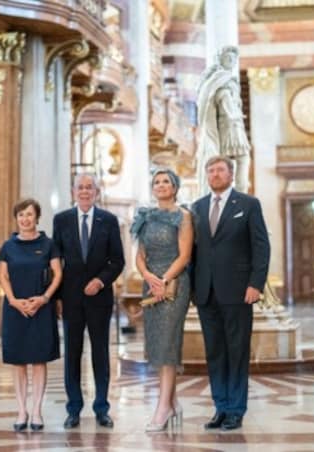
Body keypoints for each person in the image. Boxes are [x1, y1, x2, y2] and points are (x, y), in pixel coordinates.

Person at [191, 156, 270, 431]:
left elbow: (261, 247)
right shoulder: (197, 208)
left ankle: (236, 410)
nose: (214, 174)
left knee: (237, 352)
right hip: (205, 293)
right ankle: (220, 408)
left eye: (219, 170)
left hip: (238, 291)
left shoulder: (248, 204)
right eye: (210, 170)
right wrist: (192, 288)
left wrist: (256, 284)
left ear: (231, 174)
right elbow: (193, 252)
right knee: (215, 353)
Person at [52, 173, 125, 429]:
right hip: (70, 299)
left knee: (100, 354)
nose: (84, 191)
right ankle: (73, 408)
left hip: (99, 299)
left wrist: (101, 281)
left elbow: (117, 260)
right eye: (80, 187)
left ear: (96, 192)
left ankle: (102, 408)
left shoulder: (109, 220)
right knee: (72, 354)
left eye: (89, 187)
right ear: (73, 192)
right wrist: (56, 298)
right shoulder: (61, 220)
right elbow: (56, 263)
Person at [130, 168, 193, 432]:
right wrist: (148, 277)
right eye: (157, 181)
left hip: (174, 285)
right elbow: (140, 256)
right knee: (157, 343)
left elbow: (184, 255)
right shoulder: (145, 216)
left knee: (167, 343)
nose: (161, 185)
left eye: (166, 181)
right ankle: (173, 400)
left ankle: (163, 407)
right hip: (151, 283)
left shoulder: (184, 216)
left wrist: (163, 280)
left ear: (175, 187)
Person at [0, 199, 62, 432]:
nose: (25, 219)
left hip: (41, 307)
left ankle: (36, 410)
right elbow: (3, 276)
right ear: (17, 218)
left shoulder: (48, 244)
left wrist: (44, 298)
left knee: (38, 359)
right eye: (21, 215)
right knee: (18, 360)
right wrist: (14, 301)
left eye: (29, 215)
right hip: (15, 309)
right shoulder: (8, 246)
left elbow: (58, 274)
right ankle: (21, 410)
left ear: (37, 217)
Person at [196, 45, 251, 194]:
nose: (231, 61)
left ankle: (240, 192)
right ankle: (232, 193)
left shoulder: (231, 81)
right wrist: (234, 115)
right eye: (228, 58)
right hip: (227, 127)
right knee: (230, 161)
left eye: (233, 59)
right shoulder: (219, 81)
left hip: (237, 127)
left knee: (242, 159)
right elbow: (223, 99)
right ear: (220, 60)